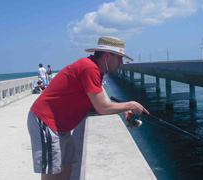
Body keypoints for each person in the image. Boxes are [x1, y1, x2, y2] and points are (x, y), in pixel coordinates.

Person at [27, 36, 149, 180]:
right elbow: (102, 107)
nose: (121, 63)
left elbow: (94, 103)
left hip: (61, 126)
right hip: (46, 121)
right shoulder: (89, 68)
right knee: (53, 173)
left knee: (67, 167)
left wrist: (121, 108)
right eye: (119, 58)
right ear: (107, 56)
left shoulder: (96, 70)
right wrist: (131, 104)